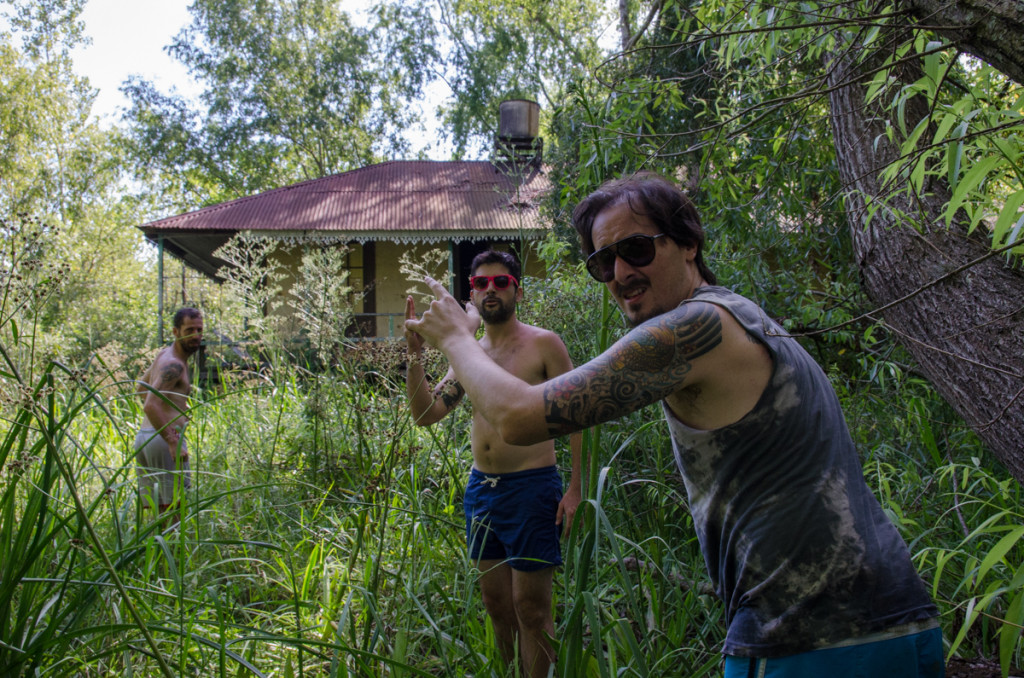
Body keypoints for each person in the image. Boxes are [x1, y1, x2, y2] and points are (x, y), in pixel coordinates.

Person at [406, 174, 943, 678]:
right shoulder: (738, 314)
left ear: (688, 243)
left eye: (636, 249)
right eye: (602, 262)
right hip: (883, 624)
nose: (619, 274)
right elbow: (436, 411)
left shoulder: (696, 327)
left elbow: (521, 417)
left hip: (818, 638)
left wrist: (456, 336)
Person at [405, 250, 585, 678]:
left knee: (531, 609)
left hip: (532, 487)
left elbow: (580, 417)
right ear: (471, 293)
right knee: (497, 605)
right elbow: (426, 413)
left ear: (517, 291)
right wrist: (415, 356)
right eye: (481, 284)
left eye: (500, 282)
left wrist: (577, 488)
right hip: (481, 491)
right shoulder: (469, 354)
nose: (490, 290)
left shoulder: (544, 344)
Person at [135, 307, 203, 522]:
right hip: (162, 443)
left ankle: (155, 556)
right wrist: (172, 440)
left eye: (199, 330)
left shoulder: (165, 355)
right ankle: (171, 555)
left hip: (146, 438)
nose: (196, 336)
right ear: (175, 332)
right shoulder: (173, 364)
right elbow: (150, 405)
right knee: (174, 514)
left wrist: (171, 410)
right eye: (189, 330)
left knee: (159, 513)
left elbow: (141, 388)